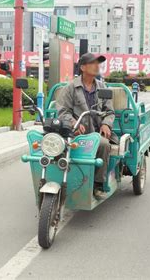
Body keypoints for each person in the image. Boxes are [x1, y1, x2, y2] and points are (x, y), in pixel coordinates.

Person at [56, 53, 118, 200]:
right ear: (83, 67)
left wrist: (106, 124)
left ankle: (97, 184)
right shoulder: (71, 87)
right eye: (93, 63)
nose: (97, 66)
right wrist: (72, 123)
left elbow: (110, 111)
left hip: (96, 133)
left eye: (99, 63)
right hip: (76, 132)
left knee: (103, 144)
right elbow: (63, 111)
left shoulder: (103, 87)